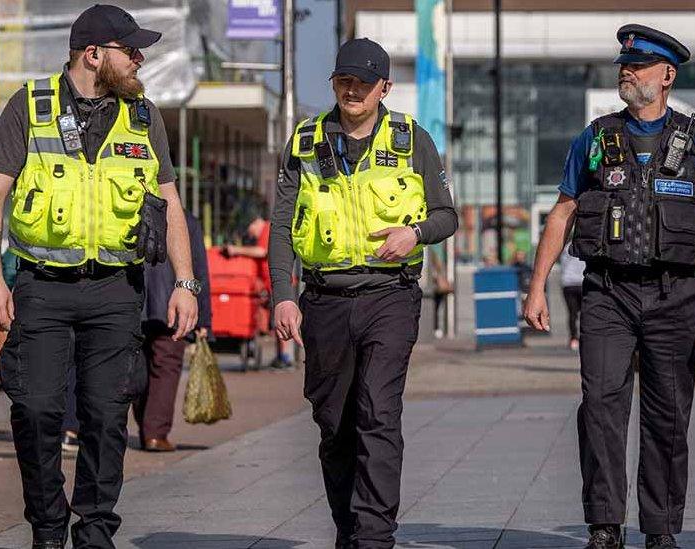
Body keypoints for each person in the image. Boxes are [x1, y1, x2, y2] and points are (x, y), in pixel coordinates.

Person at [523, 24, 695, 549]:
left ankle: (660, 527)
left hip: (678, 294)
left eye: (640, 65)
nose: (628, 71)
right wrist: (537, 289)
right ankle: (604, 524)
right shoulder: (596, 138)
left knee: (668, 411)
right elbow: (562, 215)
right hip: (608, 293)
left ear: (667, 75)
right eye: (625, 65)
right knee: (600, 405)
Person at [0, 5, 200, 548]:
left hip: (115, 291)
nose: (139, 59)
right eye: (129, 50)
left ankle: (96, 531)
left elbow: (169, 201)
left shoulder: (143, 116)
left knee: (107, 418)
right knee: (35, 410)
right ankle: (49, 528)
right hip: (41, 288)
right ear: (93, 55)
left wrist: (185, 282)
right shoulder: (29, 107)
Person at [268, 38, 457, 548]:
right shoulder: (304, 142)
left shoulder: (412, 139)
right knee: (335, 426)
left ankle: (374, 536)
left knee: (378, 412)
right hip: (323, 300)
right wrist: (281, 296)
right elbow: (282, 223)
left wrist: (413, 233)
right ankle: (348, 527)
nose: (352, 90)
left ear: (384, 88)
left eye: (363, 82)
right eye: (343, 81)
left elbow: (447, 214)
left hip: (389, 297)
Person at [133, 209, 212, 452]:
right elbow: (199, 268)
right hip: (173, 305)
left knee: (140, 366)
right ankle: (155, 433)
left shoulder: (134, 213)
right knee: (166, 367)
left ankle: (148, 427)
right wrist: (204, 320)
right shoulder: (187, 221)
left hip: (137, 303)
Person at [224, 212, 293, 369]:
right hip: (272, 284)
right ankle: (281, 356)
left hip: (278, 283)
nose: (250, 234)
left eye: (249, 229)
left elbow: (262, 251)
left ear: (255, 223)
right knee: (277, 322)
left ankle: (285, 357)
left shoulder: (268, 229)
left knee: (282, 320)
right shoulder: (267, 230)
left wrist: (237, 250)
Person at [559, 246, 586, 350]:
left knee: (572, 313)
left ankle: (573, 338)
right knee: (586, 313)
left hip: (568, 282)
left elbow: (562, 263)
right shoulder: (585, 244)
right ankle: (585, 337)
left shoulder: (566, 248)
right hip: (582, 282)